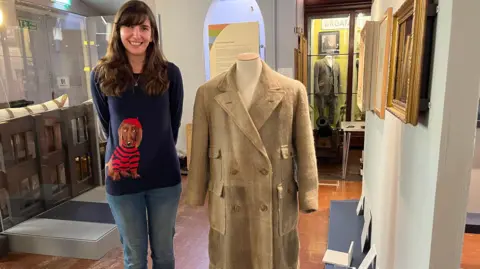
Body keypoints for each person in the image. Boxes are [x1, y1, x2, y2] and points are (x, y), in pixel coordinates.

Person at [90, 1, 184, 268]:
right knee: (134, 257)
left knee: (165, 255)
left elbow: (172, 125)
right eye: (129, 27)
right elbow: (109, 125)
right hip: (121, 181)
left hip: (164, 179)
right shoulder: (101, 74)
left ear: (152, 32)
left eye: (143, 27)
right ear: (117, 31)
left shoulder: (170, 74)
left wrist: (155, 150)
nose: (136, 35)